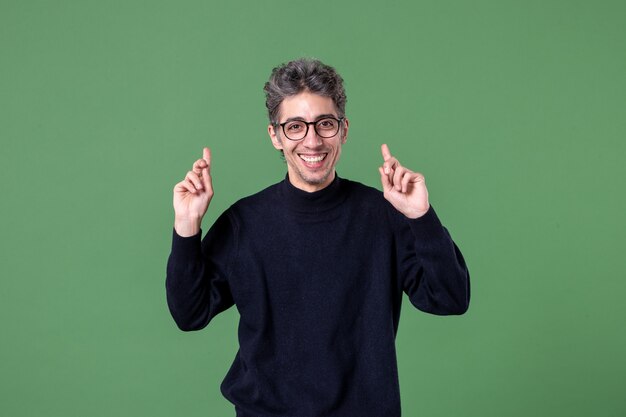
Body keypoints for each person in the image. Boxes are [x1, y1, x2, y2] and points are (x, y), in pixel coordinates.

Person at [166, 58, 470, 417]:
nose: (312, 141)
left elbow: (451, 298)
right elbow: (190, 313)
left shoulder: (383, 214)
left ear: (343, 129)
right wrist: (187, 226)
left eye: (325, 124)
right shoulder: (243, 223)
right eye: (295, 126)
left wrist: (421, 216)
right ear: (275, 136)